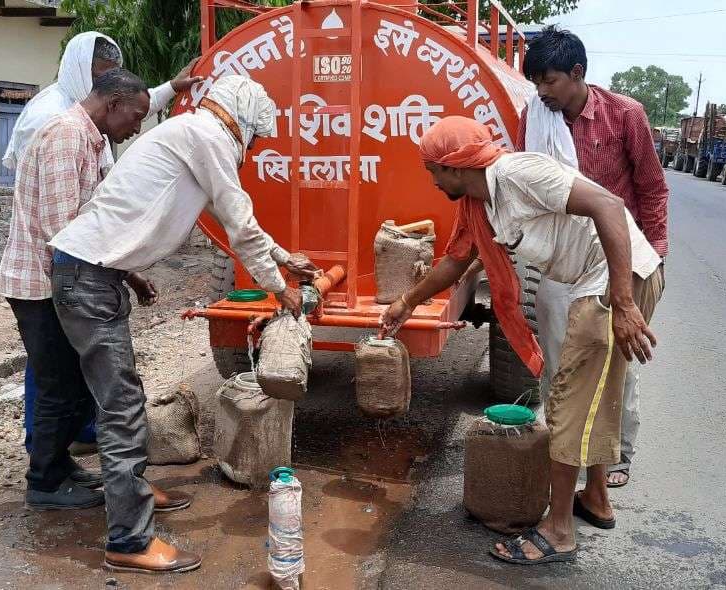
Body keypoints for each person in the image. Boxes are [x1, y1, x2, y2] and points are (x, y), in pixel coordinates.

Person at [47, 75, 318, 573]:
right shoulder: (207, 137)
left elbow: (231, 215)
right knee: (122, 406)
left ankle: (131, 489)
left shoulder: (193, 136)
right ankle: (128, 542)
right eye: (255, 138)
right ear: (242, 121)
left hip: (90, 273)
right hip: (87, 276)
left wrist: (283, 259)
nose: (252, 148)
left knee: (116, 398)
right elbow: (238, 217)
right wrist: (281, 288)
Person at [381, 117, 663, 564]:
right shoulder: (479, 202)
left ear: (454, 167)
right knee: (595, 396)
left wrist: (624, 303)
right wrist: (406, 303)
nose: (431, 180)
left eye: (432, 170)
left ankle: (559, 531)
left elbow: (609, 206)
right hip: (598, 283)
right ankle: (595, 499)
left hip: (613, 282)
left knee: (567, 399)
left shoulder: (519, 173)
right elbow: (456, 263)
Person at [0, 69, 195, 517]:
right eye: (137, 115)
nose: (138, 126)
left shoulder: (90, 139)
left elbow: (92, 228)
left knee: (73, 382)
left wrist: (127, 274)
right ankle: (44, 481)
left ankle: (60, 467)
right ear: (112, 104)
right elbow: (64, 232)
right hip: (40, 284)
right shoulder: (66, 139)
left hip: (62, 279)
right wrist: (110, 276)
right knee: (57, 385)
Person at [519, 27, 670, 488]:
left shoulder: (625, 116)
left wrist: (656, 257)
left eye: (549, 81)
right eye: (536, 83)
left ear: (577, 73)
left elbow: (652, 188)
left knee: (614, 355)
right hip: (564, 257)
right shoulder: (539, 117)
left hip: (616, 259)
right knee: (558, 353)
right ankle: (562, 440)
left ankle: (618, 451)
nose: (542, 92)